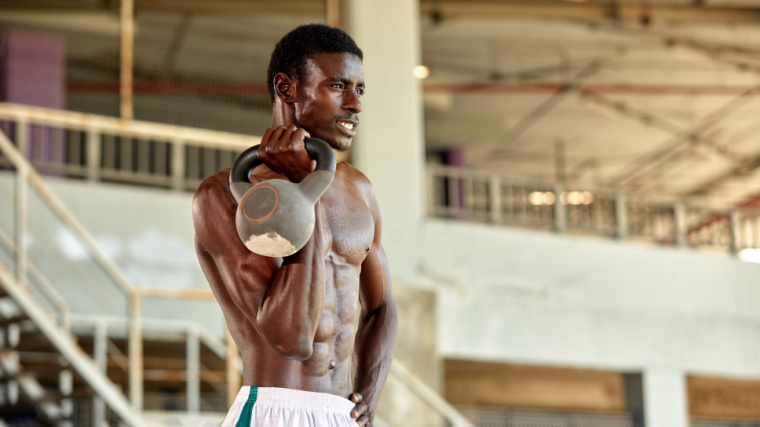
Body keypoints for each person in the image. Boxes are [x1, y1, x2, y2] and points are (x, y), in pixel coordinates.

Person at [192, 24, 398, 427]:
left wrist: (368, 398)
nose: (355, 104)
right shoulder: (224, 196)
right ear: (287, 89)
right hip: (273, 410)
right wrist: (308, 192)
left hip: (344, 415)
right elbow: (291, 338)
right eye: (338, 86)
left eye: (360, 89)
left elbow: (381, 306)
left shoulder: (360, 190)